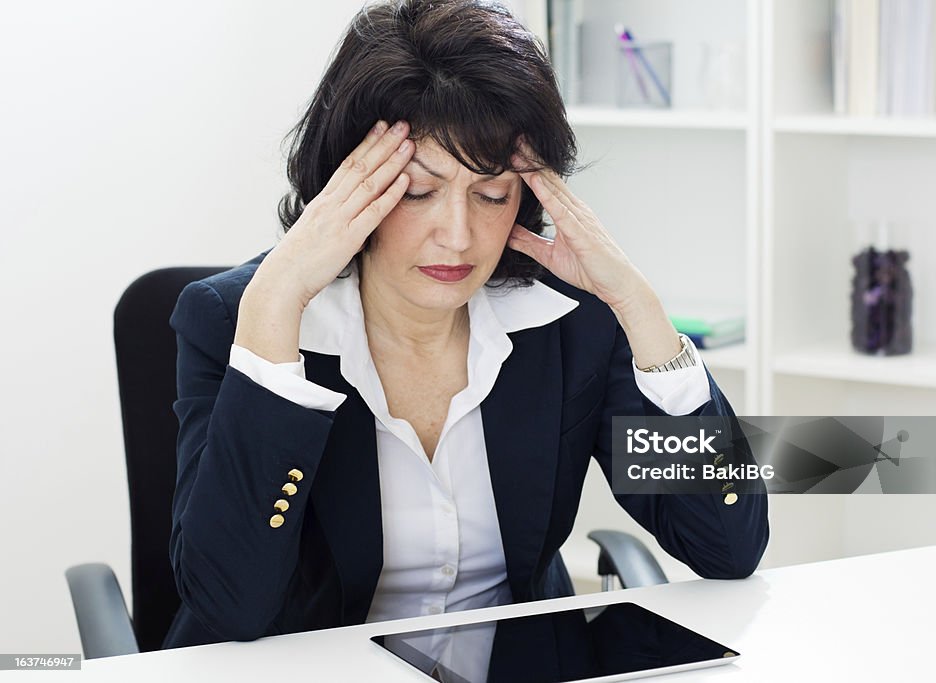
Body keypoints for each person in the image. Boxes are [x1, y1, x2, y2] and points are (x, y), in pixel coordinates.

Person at [162, 0, 769, 650]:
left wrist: (641, 311)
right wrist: (273, 311)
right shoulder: (239, 321)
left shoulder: (569, 321)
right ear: (348, 184)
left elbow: (727, 544)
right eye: (419, 192)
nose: (458, 236)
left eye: (491, 194)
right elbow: (231, 605)